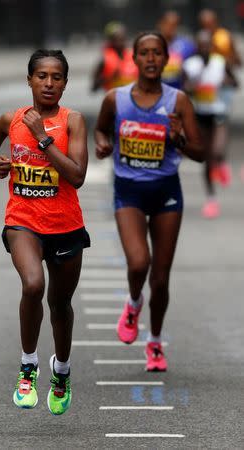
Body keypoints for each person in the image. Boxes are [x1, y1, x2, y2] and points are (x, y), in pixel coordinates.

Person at [0, 49, 90, 415]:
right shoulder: (10, 119)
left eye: (56, 77)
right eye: (41, 76)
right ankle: (28, 366)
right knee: (32, 285)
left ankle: (61, 370)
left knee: (59, 304)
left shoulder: (73, 121)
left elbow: (76, 175)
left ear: (65, 84)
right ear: (29, 80)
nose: (48, 83)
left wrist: (42, 138)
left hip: (65, 226)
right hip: (22, 220)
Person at [94, 31, 204, 371]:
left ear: (167, 59)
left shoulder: (179, 102)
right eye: (145, 53)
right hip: (129, 190)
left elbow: (200, 153)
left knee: (160, 277)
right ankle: (132, 302)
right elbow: (100, 130)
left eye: (158, 53)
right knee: (139, 263)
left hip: (166, 190)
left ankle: (154, 343)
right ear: (135, 59)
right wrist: (102, 144)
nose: (152, 58)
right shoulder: (116, 99)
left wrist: (179, 139)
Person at [183, 31, 228, 218]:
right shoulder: (190, 65)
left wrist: (227, 81)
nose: (204, 49)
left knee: (217, 151)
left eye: (207, 45)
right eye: (201, 45)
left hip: (217, 112)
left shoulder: (220, 62)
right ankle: (211, 199)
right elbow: (184, 87)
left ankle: (220, 164)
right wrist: (194, 84)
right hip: (200, 113)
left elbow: (235, 81)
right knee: (207, 157)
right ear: (197, 47)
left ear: (211, 46)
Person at [198, 9, 242, 187]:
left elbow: (237, 59)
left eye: (208, 22)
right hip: (208, 89)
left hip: (223, 88)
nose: (206, 25)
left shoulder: (224, 36)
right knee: (208, 126)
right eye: (203, 22)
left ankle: (220, 160)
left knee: (221, 121)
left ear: (215, 21)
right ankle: (216, 162)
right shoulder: (202, 39)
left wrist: (223, 63)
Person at [91, 21, 138, 92]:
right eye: (116, 38)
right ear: (110, 39)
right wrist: (110, 78)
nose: (119, 41)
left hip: (134, 99)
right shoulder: (104, 60)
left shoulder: (134, 56)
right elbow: (93, 88)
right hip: (113, 101)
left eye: (122, 37)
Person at [157, 10, 196, 89]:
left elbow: (193, 66)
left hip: (177, 90)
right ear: (160, 24)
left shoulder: (186, 45)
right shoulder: (150, 44)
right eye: (168, 24)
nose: (170, 28)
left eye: (174, 25)